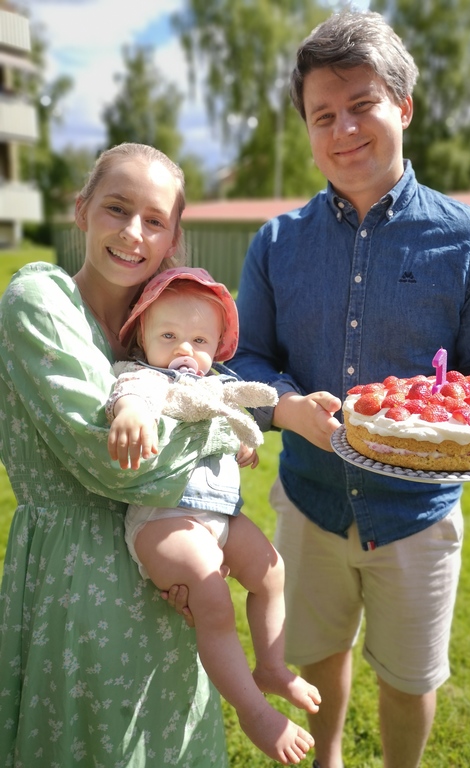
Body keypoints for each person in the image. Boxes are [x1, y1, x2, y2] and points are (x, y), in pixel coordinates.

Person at [229, 10, 470, 768]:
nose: (343, 129)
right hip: (311, 502)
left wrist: (440, 412)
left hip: (417, 516)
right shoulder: (276, 243)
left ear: (404, 107)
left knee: (409, 676)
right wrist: (284, 406)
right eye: (322, 115)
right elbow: (251, 358)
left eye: (362, 104)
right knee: (320, 656)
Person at [0, 143, 234, 767]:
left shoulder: (162, 326)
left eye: (155, 219)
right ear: (82, 211)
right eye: (117, 208)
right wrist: (229, 428)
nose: (134, 233)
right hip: (77, 580)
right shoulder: (40, 302)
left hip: (164, 567)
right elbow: (117, 461)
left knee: (164, 741)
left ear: (173, 237)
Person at [106, 266, 319, 765]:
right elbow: (131, 394)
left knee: (271, 570)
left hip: (219, 515)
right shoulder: (148, 377)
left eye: (200, 339)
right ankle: (251, 709)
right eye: (169, 335)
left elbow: (237, 422)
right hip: (163, 521)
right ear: (143, 336)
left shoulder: (220, 384)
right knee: (212, 594)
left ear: (220, 344)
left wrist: (241, 443)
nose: (185, 350)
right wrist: (132, 414)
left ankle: (272, 667)